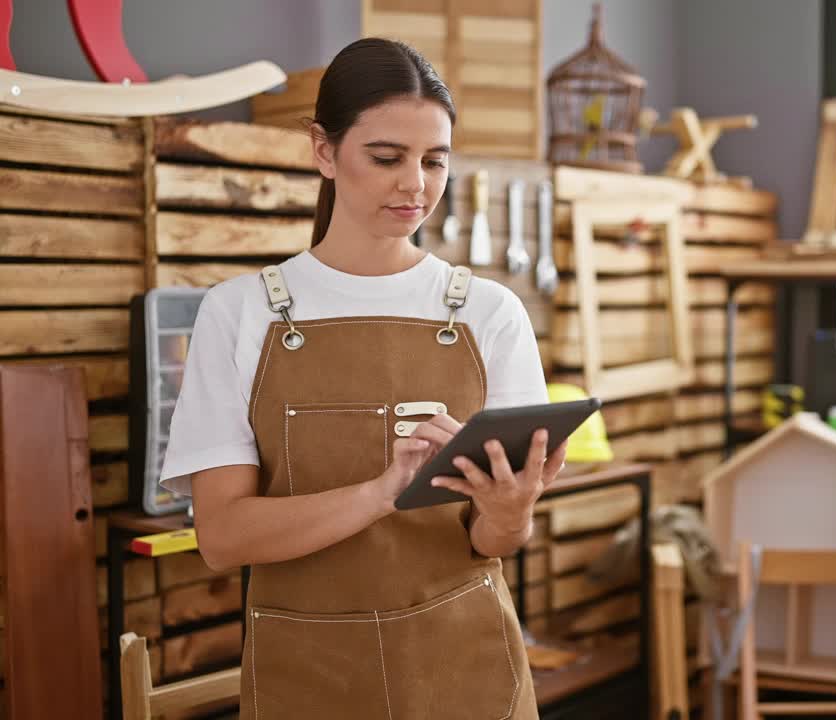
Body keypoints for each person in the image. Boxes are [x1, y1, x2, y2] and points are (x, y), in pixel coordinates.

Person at [159, 38, 560, 719]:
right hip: (307, 678)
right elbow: (223, 539)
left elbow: (490, 542)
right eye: (386, 157)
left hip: (467, 672)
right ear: (324, 151)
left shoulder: (491, 314)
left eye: (435, 161)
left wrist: (508, 515)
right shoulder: (241, 312)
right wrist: (381, 492)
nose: (416, 185)